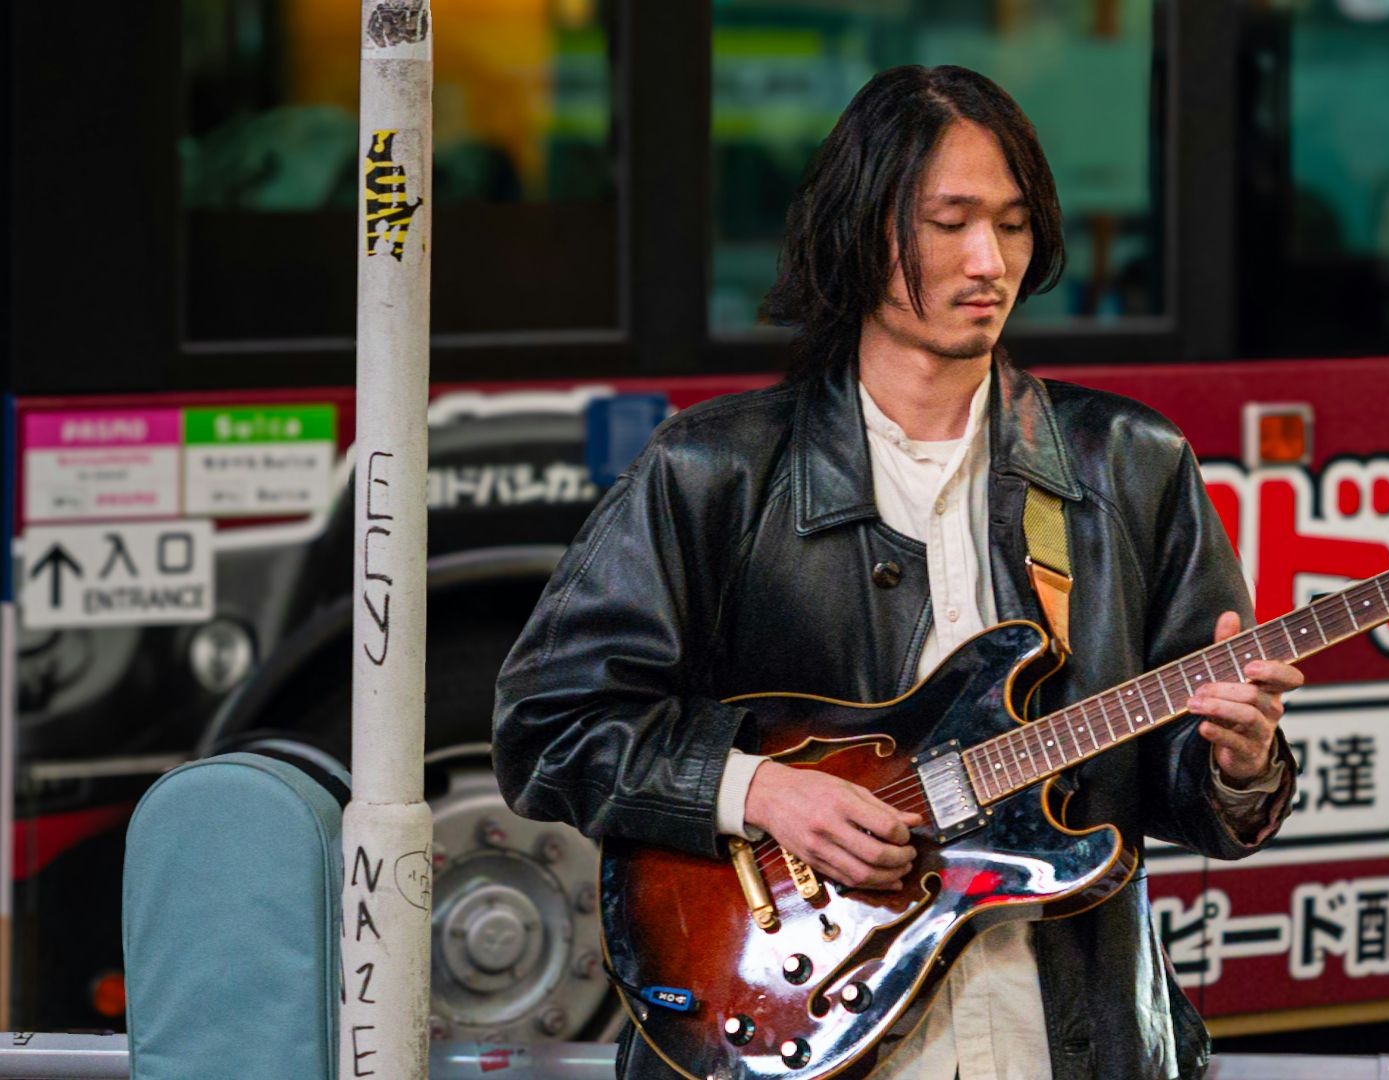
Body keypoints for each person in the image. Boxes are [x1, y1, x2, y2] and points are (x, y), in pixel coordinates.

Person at [494, 65, 1302, 1080]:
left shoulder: (1128, 462)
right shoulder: (712, 472)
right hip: (800, 1020)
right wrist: (762, 793)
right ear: (864, 231)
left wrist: (1238, 762)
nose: (989, 261)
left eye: (1011, 226)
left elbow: (1184, 795)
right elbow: (549, 726)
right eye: (950, 221)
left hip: (1058, 1036)